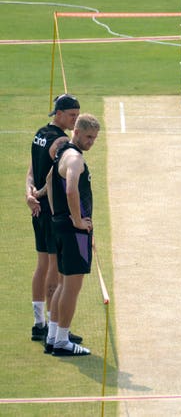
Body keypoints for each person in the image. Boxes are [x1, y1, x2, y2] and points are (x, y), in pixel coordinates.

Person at [26, 94, 83, 344]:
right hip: (50, 211)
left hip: (37, 210)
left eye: (77, 115)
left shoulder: (39, 134)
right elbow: (51, 177)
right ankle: (53, 326)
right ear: (58, 114)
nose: (76, 119)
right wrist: (38, 193)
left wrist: (28, 193)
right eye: (72, 115)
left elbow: (31, 170)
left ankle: (39, 324)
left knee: (42, 266)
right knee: (55, 269)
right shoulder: (60, 141)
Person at [45, 113, 100, 356]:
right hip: (74, 232)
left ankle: (53, 337)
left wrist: (57, 215)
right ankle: (63, 341)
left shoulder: (62, 153)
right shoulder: (75, 158)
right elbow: (70, 189)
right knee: (71, 287)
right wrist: (77, 221)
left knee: (62, 284)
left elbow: (49, 179)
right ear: (76, 132)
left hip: (60, 227)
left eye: (95, 138)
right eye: (88, 136)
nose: (91, 141)